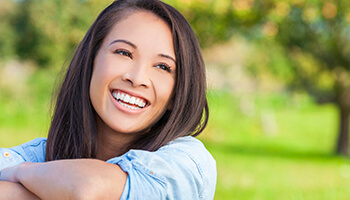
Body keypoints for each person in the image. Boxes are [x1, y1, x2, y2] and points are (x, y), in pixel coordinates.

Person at [0, 0, 216, 199]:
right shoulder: (35, 155)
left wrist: (22, 173)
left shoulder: (187, 162)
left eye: (163, 67)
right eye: (124, 53)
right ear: (90, 61)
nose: (137, 78)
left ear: (177, 94)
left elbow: (90, 188)